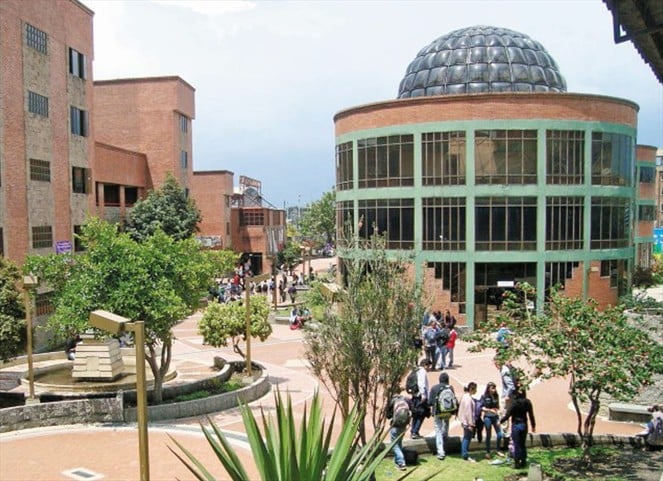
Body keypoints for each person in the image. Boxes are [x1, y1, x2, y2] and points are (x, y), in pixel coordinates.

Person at [500, 387, 536, 469]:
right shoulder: (528, 402)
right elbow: (531, 415)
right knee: (522, 444)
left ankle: (517, 463)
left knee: (516, 444)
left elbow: (507, 415)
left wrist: (500, 421)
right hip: (524, 424)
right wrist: (533, 426)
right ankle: (523, 461)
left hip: (516, 424)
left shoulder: (515, 403)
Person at [428, 372, 456, 460]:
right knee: (446, 427)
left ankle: (441, 451)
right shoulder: (450, 388)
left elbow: (430, 402)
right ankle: (446, 442)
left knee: (438, 430)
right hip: (448, 412)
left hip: (438, 412)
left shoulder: (434, 388)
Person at [386, 390, 412, 471]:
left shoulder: (393, 401)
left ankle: (401, 462)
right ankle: (397, 461)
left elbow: (388, 415)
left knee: (394, 444)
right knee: (399, 442)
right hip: (404, 425)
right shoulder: (405, 400)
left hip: (396, 425)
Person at [480, 382, 504, 459]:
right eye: (492, 388)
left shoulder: (496, 396)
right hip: (487, 417)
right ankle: (487, 452)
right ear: (488, 389)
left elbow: (498, 406)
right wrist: (490, 410)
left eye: (494, 388)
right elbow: (482, 408)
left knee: (500, 434)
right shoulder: (484, 396)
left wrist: (498, 412)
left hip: (495, 417)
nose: (494, 390)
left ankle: (498, 450)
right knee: (488, 435)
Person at [409, 358, 430, 439]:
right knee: (422, 414)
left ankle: (413, 431)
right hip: (420, 396)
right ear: (425, 365)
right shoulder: (422, 372)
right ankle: (415, 431)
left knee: (415, 414)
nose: (428, 368)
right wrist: (423, 395)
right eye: (428, 366)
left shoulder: (416, 370)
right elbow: (422, 384)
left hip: (415, 395)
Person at [458, 382, 478, 462]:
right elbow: (468, 412)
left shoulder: (465, 397)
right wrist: (471, 424)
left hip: (464, 421)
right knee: (467, 438)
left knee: (466, 438)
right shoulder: (468, 399)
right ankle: (465, 454)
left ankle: (464, 453)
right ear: (471, 389)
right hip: (467, 422)